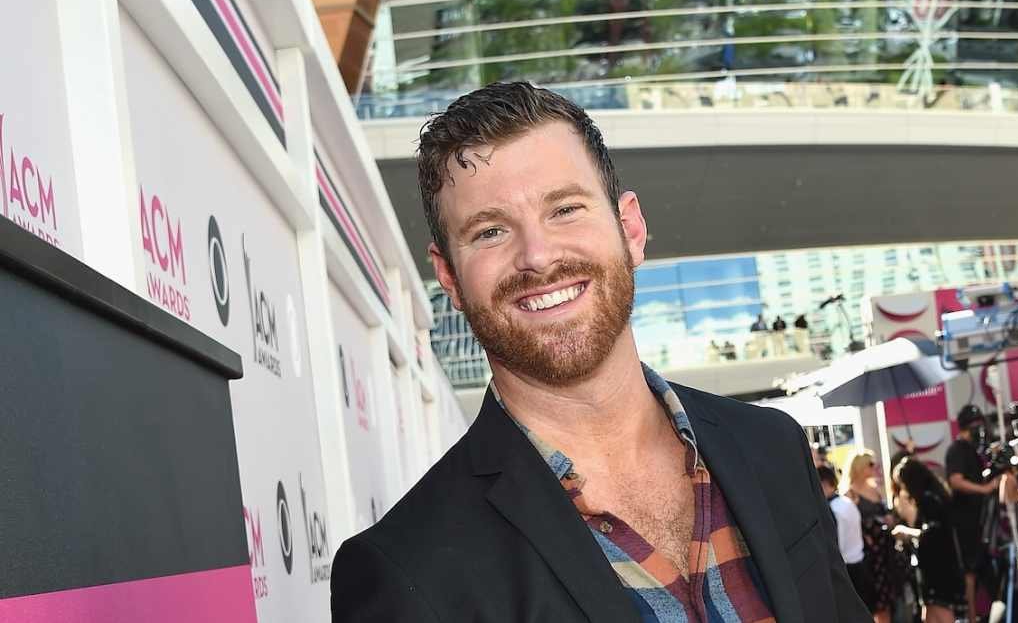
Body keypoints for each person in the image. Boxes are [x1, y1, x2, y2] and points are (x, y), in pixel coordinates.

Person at [330, 82, 869, 622]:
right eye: (491, 231)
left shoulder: (772, 447)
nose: (539, 257)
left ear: (630, 228)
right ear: (449, 275)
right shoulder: (408, 570)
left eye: (565, 209)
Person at [944, 404, 1000, 623]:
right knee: (970, 573)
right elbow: (956, 481)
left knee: (986, 573)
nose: (979, 429)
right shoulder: (957, 449)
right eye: (975, 425)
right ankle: (971, 617)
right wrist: (984, 489)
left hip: (981, 522)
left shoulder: (975, 449)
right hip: (966, 523)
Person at [892, 456, 963, 623]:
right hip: (936, 566)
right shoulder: (935, 496)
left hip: (937, 567)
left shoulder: (929, 500)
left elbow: (932, 534)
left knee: (940, 610)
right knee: (929, 613)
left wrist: (907, 532)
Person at [843, 450, 897, 623]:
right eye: (871, 464)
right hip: (866, 556)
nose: (875, 468)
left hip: (884, 552)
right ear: (859, 467)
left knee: (885, 602)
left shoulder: (875, 490)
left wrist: (888, 519)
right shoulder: (849, 494)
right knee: (870, 602)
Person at [819, 465, 872, 612]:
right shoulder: (847, 502)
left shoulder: (833, 509)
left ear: (826, 484)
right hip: (860, 564)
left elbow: (836, 546)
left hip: (848, 571)